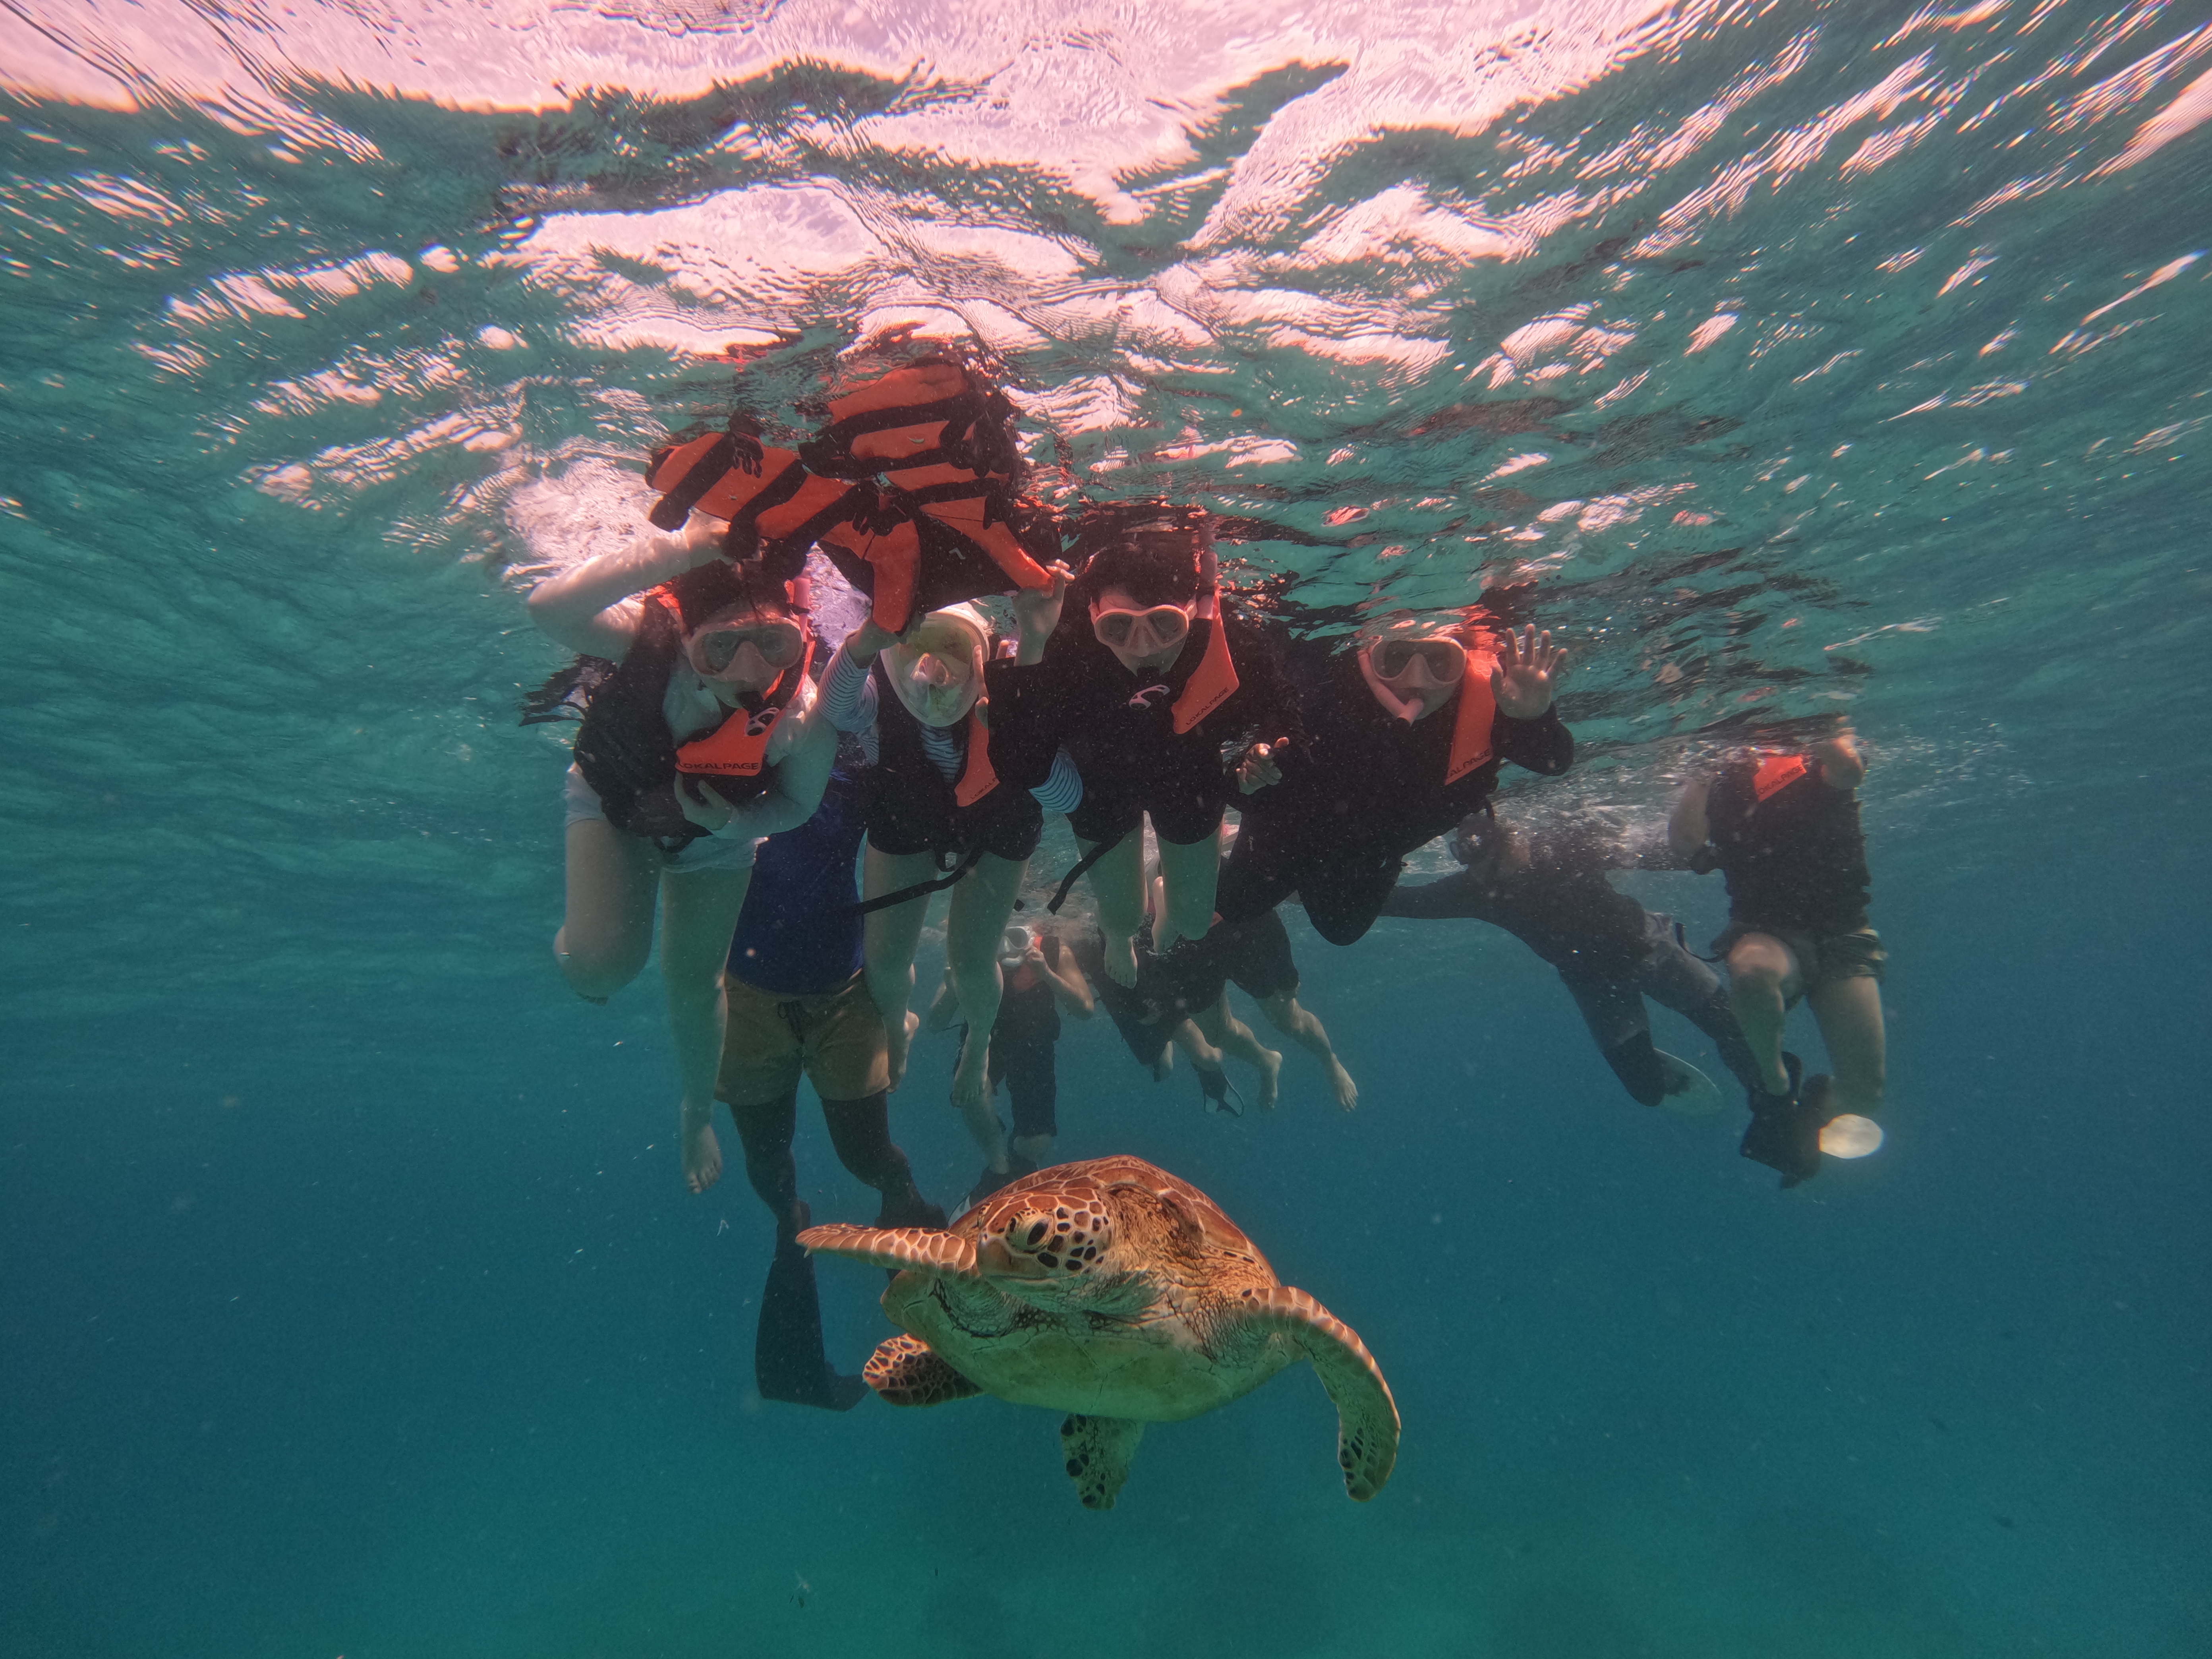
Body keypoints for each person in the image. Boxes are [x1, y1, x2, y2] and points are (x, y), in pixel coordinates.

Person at [527, 515, 837, 1155]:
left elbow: (799, 804)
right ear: (687, 639)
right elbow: (550, 608)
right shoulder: (649, 643)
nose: (750, 670)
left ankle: (697, 1111)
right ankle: (580, 947)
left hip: (720, 831)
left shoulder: (804, 704)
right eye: (720, 649)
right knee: (603, 966)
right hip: (617, 801)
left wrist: (731, 823)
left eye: (772, 643)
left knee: (697, 982)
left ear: (799, 634)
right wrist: (686, 546)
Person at [707, 754, 947, 1408]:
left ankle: (904, 1199)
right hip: (745, 997)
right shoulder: (715, 749)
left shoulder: (855, 755)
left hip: (844, 993)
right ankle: (791, 1227)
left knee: (864, 1154)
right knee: (766, 1157)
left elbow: (914, 842)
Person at [985, 503, 1283, 987]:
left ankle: (1163, 893)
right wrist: (1033, 644)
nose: (1143, 646)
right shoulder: (1064, 643)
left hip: (1189, 776)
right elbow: (1021, 765)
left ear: (1194, 613)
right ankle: (1123, 936)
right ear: (1093, 613)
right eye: (1119, 628)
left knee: (1192, 925)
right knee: (1120, 920)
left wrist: (1260, 758)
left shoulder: (1235, 647)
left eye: (1164, 626)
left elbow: (1276, 714)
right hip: (1101, 782)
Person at [1379, 808, 1765, 1110]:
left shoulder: (1565, 847)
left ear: (1510, 842)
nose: (1475, 875)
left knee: (1737, 1035)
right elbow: (1407, 903)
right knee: (1646, 1094)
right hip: (1595, 987)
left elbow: (1652, 853)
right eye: (1468, 865)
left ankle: (1773, 1098)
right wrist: (1339, 882)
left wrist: (1723, 854)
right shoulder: (1475, 889)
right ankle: (1646, 1063)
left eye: (1480, 864)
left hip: (1654, 951)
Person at [1219, 616, 1572, 947]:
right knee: (1236, 908)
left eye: (1439, 662)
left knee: (1342, 930)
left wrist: (1532, 718)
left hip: (1372, 850)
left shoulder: (1496, 697)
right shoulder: (1326, 688)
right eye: (1397, 657)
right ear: (1371, 656)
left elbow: (1553, 762)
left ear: (1462, 663)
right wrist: (1250, 775)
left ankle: (1298, 884)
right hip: (1290, 831)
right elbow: (1243, 780)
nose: (1416, 680)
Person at [1669, 720, 1887, 1186]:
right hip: (1767, 930)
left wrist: (1816, 726)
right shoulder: (1722, 770)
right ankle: (1773, 1087)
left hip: (1843, 936)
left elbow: (1849, 771)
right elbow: (1686, 844)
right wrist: (1702, 775)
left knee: (1865, 1096)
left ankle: (1806, 1113)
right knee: (1752, 972)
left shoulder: (1818, 754)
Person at [923, 920, 1096, 1205]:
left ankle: (1019, 1166)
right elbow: (934, 1022)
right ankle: (998, 1169)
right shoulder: (971, 951)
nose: (1007, 947)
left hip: (1035, 1042)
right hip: (984, 1038)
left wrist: (1048, 974)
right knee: (970, 1094)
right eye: (1001, 936)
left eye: (1017, 937)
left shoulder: (1054, 951)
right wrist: (955, 988)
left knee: (1037, 1143)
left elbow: (1086, 1010)